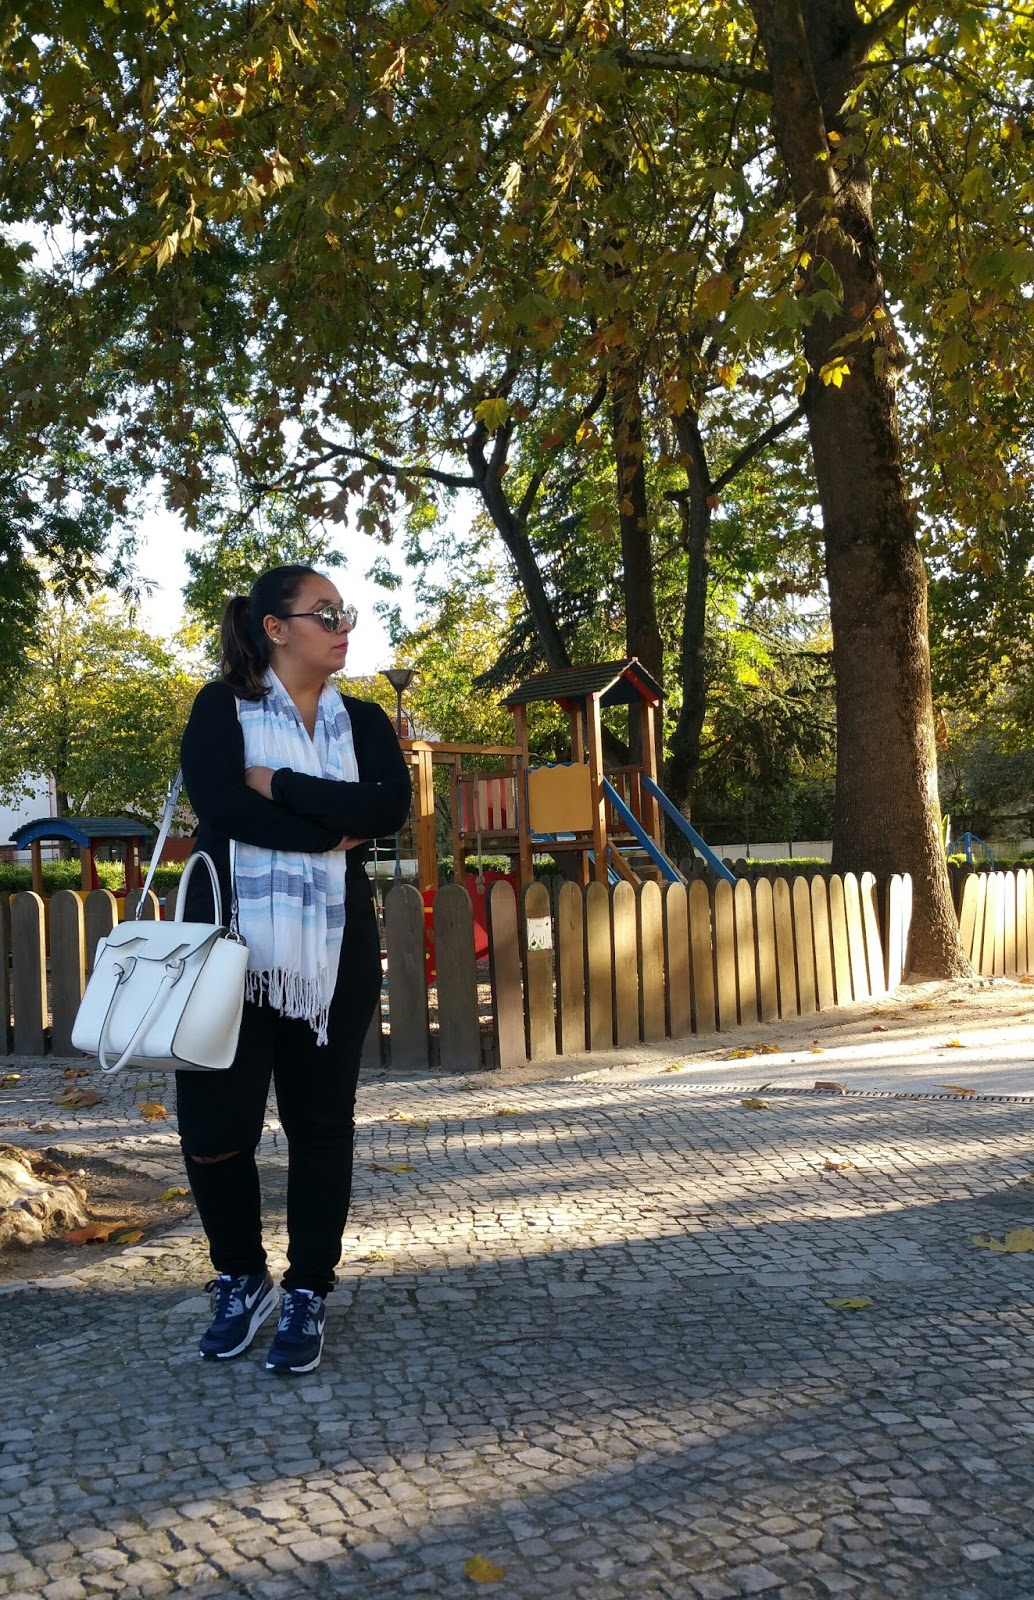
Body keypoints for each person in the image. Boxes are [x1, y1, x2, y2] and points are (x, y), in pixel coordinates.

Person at [177, 565, 411, 1374]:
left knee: (320, 1124)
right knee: (216, 1128)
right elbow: (222, 807)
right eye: (325, 613)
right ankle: (240, 1277)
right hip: (227, 942)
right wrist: (323, 833)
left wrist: (277, 783)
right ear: (276, 628)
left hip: (334, 947)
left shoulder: (365, 719)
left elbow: (385, 809)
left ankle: (308, 1285)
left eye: (345, 613)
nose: (343, 626)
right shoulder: (222, 708)